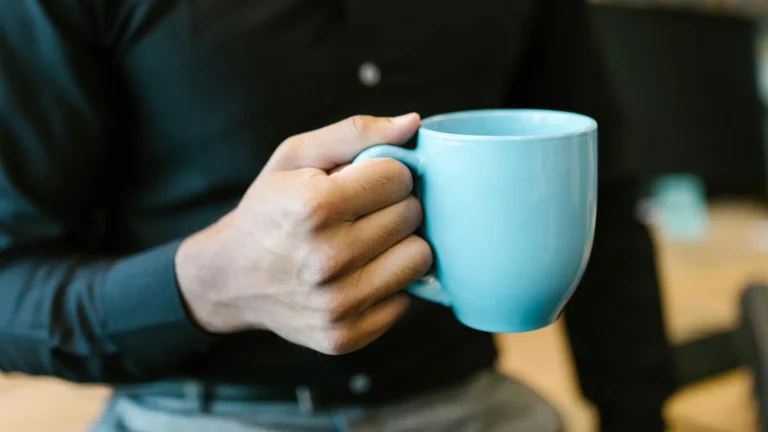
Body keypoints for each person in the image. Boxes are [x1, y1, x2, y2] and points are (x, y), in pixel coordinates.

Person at [0, 0, 676, 431]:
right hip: (195, 412)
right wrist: (208, 286)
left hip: (471, 400)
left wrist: (638, 413)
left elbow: (605, 196)